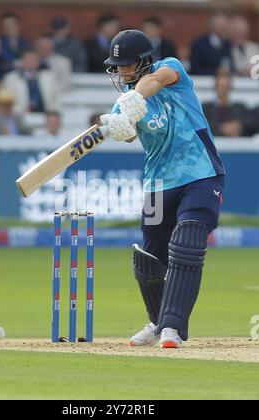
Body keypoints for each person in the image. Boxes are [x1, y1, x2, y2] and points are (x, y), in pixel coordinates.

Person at [102, 30, 225, 349]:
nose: (121, 72)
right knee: (149, 259)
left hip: (200, 172)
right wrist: (121, 123)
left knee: (187, 241)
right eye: (117, 66)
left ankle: (172, 327)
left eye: (126, 65)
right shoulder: (122, 102)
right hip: (158, 182)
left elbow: (156, 81)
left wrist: (134, 99)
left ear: (143, 61)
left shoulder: (171, 68)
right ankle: (157, 322)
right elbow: (127, 135)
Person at [2, 49, 59, 114]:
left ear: (38, 62)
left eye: (34, 59)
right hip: (20, 115)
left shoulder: (49, 77)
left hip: (46, 115)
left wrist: (52, 113)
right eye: (28, 59)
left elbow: (56, 99)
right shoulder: (10, 78)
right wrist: (20, 112)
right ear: (22, 61)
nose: (31, 62)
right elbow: (7, 103)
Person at [202, 72, 255, 137]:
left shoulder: (241, 108)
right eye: (221, 86)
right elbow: (203, 126)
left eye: (226, 86)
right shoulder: (206, 108)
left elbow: (250, 125)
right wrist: (221, 128)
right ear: (216, 87)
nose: (223, 90)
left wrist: (238, 126)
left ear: (230, 88)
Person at [0, 12, 30, 77]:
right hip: (4, 77)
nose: (9, 28)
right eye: (6, 26)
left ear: (18, 26)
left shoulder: (25, 43)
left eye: (12, 25)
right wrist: (15, 64)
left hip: (21, 79)